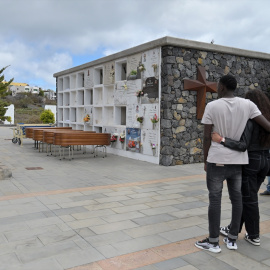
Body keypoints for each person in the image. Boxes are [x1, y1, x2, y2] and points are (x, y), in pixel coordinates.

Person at [195, 75, 270, 253]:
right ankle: (232, 240)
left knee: (215, 200)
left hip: (217, 159)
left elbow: (206, 136)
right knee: (237, 200)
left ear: (221, 87)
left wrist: (206, 160)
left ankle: (213, 242)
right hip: (238, 161)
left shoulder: (212, 106)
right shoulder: (249, 105)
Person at [211, 89, 270, 246]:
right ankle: (233, 228)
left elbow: (243, 145)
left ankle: (254, 235)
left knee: (249, 199)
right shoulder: (266, 119)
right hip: (265, 160)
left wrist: (222, 139)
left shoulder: (250, 120)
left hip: (251, 161)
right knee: (247, 196)